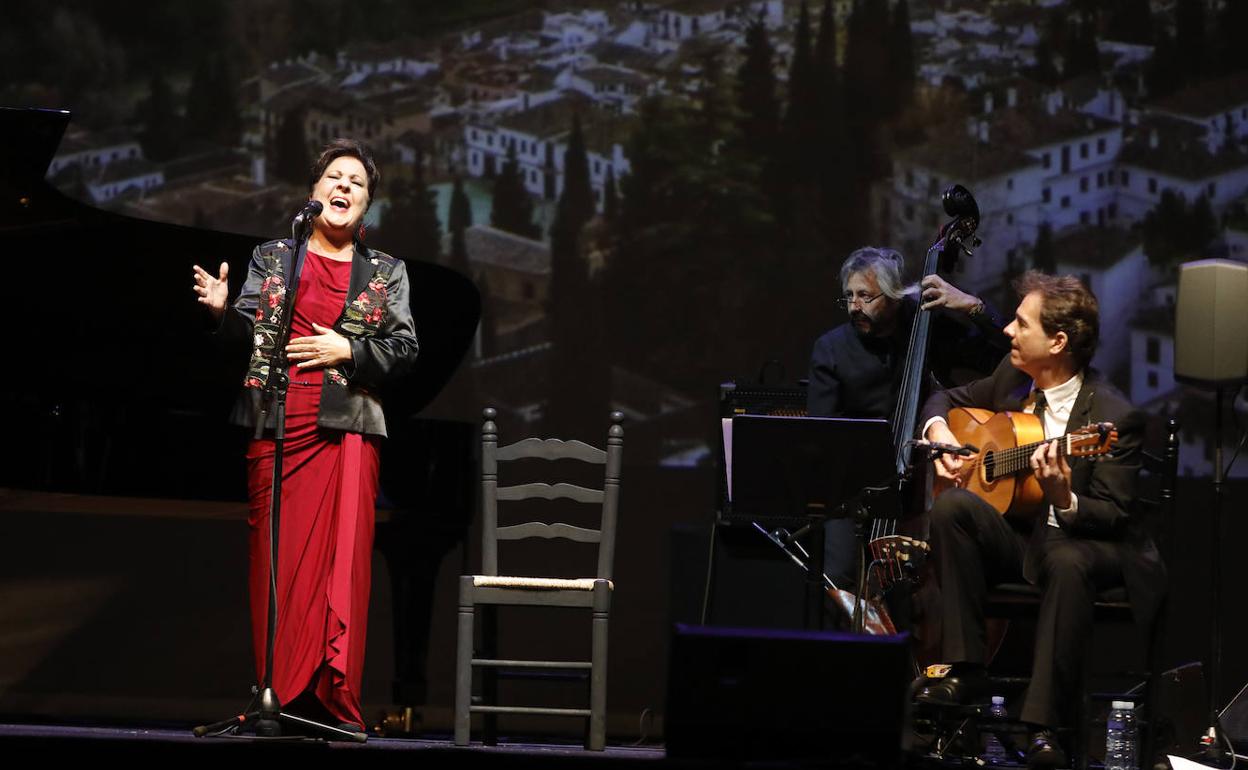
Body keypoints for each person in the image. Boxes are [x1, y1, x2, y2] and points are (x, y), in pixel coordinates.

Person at [192, 138, 419, 732]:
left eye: (357, 183)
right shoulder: (274, 258)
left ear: (367, 205)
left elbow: (404, 349)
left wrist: (350, 348)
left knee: (337, 567)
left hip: (345, 434)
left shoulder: (388, 273)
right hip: (275, 424)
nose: (344, 187)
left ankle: (328, 699)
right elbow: (249, 331)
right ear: (313, 192)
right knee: (274, 563)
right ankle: (274, 694)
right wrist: (221, 312)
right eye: (334, 178)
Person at [914, 272, 1164, 768]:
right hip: (1027, 542)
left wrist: (1064, 496)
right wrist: (940, 429)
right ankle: (966, 669)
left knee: (1067, 561)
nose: (1006, 330)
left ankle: (1043, 726)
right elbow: (943, 398)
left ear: (1058, 341)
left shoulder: (1115, 415)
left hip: (1095, 545)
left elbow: (1112, 515)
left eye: (1020, 323)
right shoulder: (1011, 380)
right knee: (952, 507)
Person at [806, 246, 1008, 587]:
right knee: (839, 578)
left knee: (923, 584)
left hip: (923, 484)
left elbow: (1003, 359)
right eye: (849, 296)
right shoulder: (831, 349)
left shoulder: (929, 325)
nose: (855, 306)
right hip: (852, 486)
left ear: (895, 296)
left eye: (865, 296)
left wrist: (974, 307)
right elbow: (823, 432)